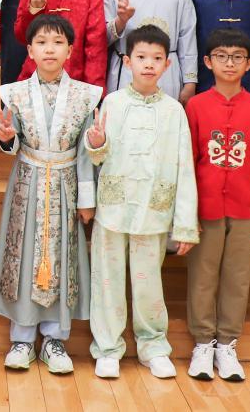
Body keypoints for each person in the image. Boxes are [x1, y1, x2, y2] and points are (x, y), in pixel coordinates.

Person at [85, 24, 199, 381]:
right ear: (127, 61)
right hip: (113, 208)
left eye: (156, 58)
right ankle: (107, 347)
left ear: (167, 64)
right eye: (141, 57)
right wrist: (96, 143)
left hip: (153, 209)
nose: (149, 64)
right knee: (107, 280)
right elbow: (98, 157)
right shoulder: (113, 103)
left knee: (149, 283)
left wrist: (185, 224)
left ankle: (153, 346)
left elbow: (184, 166)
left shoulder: (174, 111)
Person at [0, 14, 99, 376]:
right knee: (23, 255)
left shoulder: (85, 96)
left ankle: (55, 339)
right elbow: (10, 140)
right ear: (30, 50)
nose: (49, 49)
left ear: (70, 50)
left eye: (58, 42)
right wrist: (6, 138)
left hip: (66, 184)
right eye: (41, 42)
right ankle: (21, 338)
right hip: (28, 183)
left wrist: (86, 199)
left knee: (62, 255)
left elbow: (86, 152)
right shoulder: (15, 93)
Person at [184, 29, 250, 382]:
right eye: (222, 56)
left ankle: (227, 344)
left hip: (244, 207)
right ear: (208, 62)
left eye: (238, 57)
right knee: (202, 275)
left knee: (237, 277)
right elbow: (188, 161)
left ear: (249, 64)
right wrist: (188, 210)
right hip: (204, 207)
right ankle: (203, 342)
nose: (229, 63)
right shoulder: (196, 106)